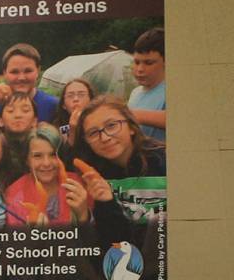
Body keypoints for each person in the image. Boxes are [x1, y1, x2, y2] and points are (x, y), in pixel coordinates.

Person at [71, 94, 166, 244]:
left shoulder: (164, 160)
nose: (105, 137)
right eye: (93, 133)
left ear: (131, 127)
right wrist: (106, 203)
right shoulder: (94, 177)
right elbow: (113, 243)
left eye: (111, 125)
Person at [4, 124, 92, 228]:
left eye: (53, 155)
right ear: (27, 160)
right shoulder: (13, 195)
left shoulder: (78, 184)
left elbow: (95, 238)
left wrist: (83, 216)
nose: (46, 163)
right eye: (37, 156)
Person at [127, 28, 166, 141]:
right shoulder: (135, 93)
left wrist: (128, 115)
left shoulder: (177, 89)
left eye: (148, 63)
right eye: (137, 62)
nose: (140, 69)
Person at [52, 77, 95, 149]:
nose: (76, 99)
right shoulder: (57, 131)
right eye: (70, 96)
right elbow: (64, 157)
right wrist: (73, 131)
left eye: (81, 95)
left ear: (91, 100)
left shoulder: (100, 123)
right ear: (63, 105)